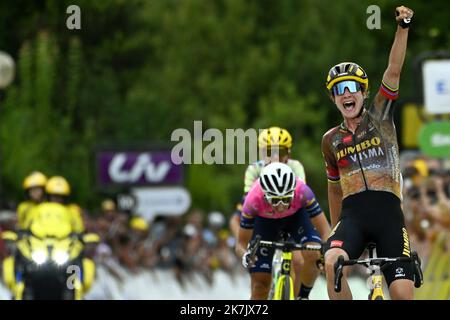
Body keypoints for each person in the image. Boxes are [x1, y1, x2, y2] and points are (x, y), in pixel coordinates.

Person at [321, 6, 415, 300]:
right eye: (339, 91)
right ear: (335, 99)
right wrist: (334, 229)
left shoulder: (381, 116)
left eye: (352, 88)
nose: (346, 94)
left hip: (388, 216)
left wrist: (403, 28)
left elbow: (394, 70)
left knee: (401, 294)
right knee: (331, 262)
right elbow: (334, 191)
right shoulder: (331, 140)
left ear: (363, 92)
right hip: (353, 219)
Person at [230, 127, 320, 299]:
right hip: (262, 214)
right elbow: (248, 205)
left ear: (289, 152)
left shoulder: (296, 167)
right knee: (259, 281)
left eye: (282, 151)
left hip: (291, 213)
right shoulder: (254, 169)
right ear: (262, 153)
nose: (276, 157)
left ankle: (297, 295)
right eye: (270, 152)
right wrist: (246, 248)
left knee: (300, 261)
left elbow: (300, 200)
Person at [235, 162, 330, 300]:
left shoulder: (303, 191)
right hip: (265, 223)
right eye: (274, 200)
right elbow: (241, 243)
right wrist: (245, 255)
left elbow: (325, 230)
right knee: (260, 286)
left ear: (293, 192)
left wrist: (325, 251)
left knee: (313, 253)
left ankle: (303, 296)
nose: (281, 207)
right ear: (264, 195)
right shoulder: (252, 200)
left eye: (286, 199)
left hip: (296, 218)